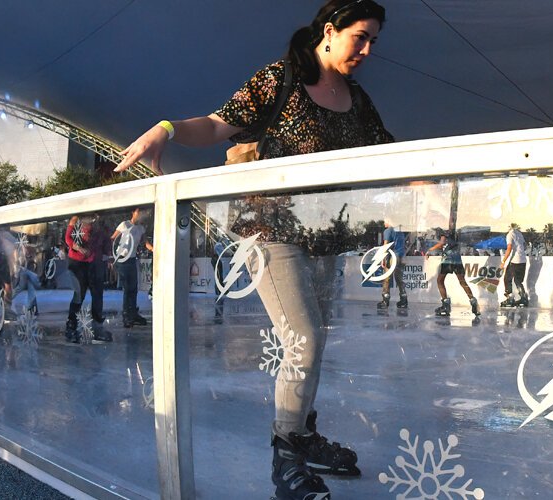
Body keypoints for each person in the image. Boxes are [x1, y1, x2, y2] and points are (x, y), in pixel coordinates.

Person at [109, 2, 390, 497]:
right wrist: (167, 129)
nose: (367, 49)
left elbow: (388, 153)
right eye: (360, 37)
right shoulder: (281, 80)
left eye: (373, 41)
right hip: (269, 230)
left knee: (312, 342)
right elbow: (219, 125)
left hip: (326, 236)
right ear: (330, 31)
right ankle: (286, 460)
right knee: (301, 336)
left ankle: (301, 433)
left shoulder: (358, 100)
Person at [64, 213, 110, 344]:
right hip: (78, 262)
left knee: (97, 294)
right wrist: (78, 248)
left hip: (94, 261)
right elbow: (68, 238)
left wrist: (107, 254)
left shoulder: (99, 221)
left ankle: (97, 326)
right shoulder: (76, 219)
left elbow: (106, 239)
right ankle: (71, 325)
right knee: (79, 293)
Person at [111, 208, 152, 327]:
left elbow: (145, 243)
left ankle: (133, 313)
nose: (140, 215)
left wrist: (154, 249)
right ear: (133, 213)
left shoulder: (140, 228)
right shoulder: (124, 224)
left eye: (141, 212)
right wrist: (111, 255)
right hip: (122, 258)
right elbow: (113, 239)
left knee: (133, 288)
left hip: (132, 258)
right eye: (138, 212)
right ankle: (126, 315)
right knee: (128, 288)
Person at [429, 230, 478, 317]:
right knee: (462, 282)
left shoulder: (445, 232)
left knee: (440, 281)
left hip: (448, 260)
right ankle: (473, 301)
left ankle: (445, 305)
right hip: (457, 260)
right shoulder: (456, 232)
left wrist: (430, 250)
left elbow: (442, 243)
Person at [375, 224, 408, 310]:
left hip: (393, 257)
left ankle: (385, 300)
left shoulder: (388, 230)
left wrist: (383, 258)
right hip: (402, 257)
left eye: (386, 220)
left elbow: (386, 245)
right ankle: (403, 300)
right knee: (399, 279)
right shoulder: (400, 231)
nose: (384, 223)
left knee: (386, 278)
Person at [500, 223, 529, 308]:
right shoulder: (519, 233)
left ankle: (510, 298)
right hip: (523, 259)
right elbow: (525, 245)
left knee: (507, 279)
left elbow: (509, 248)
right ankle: (523, 298)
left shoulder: (510, 234)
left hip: (515, 260)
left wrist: (503, 261)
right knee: (518, 280)